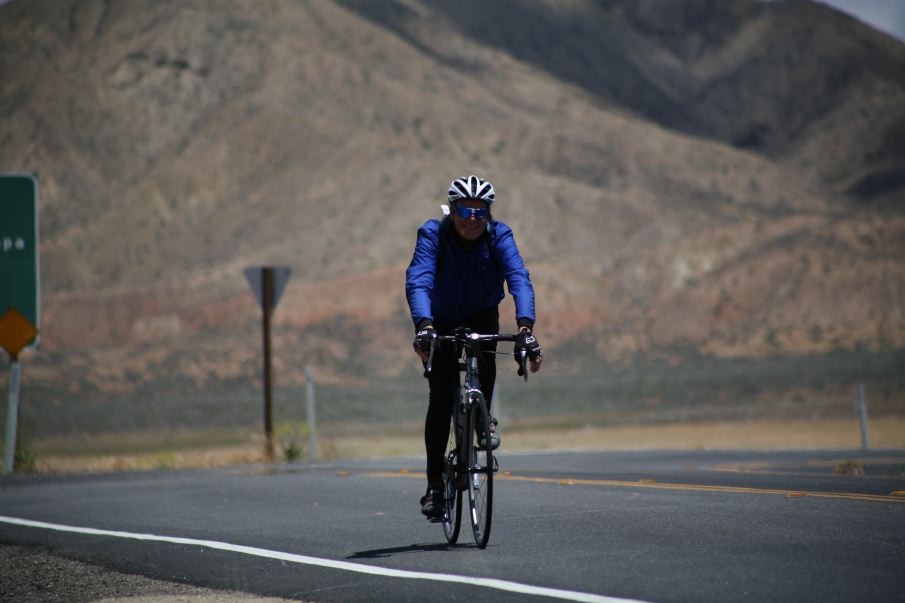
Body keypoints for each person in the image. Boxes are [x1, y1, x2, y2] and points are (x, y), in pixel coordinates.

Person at [405, 175, 543, 519]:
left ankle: (483, 421)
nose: (472, 219)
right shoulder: (432, 234)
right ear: (452, 212)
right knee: (440, 398)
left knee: (488, 352)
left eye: (480, 213)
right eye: (465, 211)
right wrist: (424, 326)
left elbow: (519, 278)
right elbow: (418, 279)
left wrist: (525, 327)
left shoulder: (500, 236)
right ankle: (435, 486)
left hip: (482, 313)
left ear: (489, 216)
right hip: (442, 317)